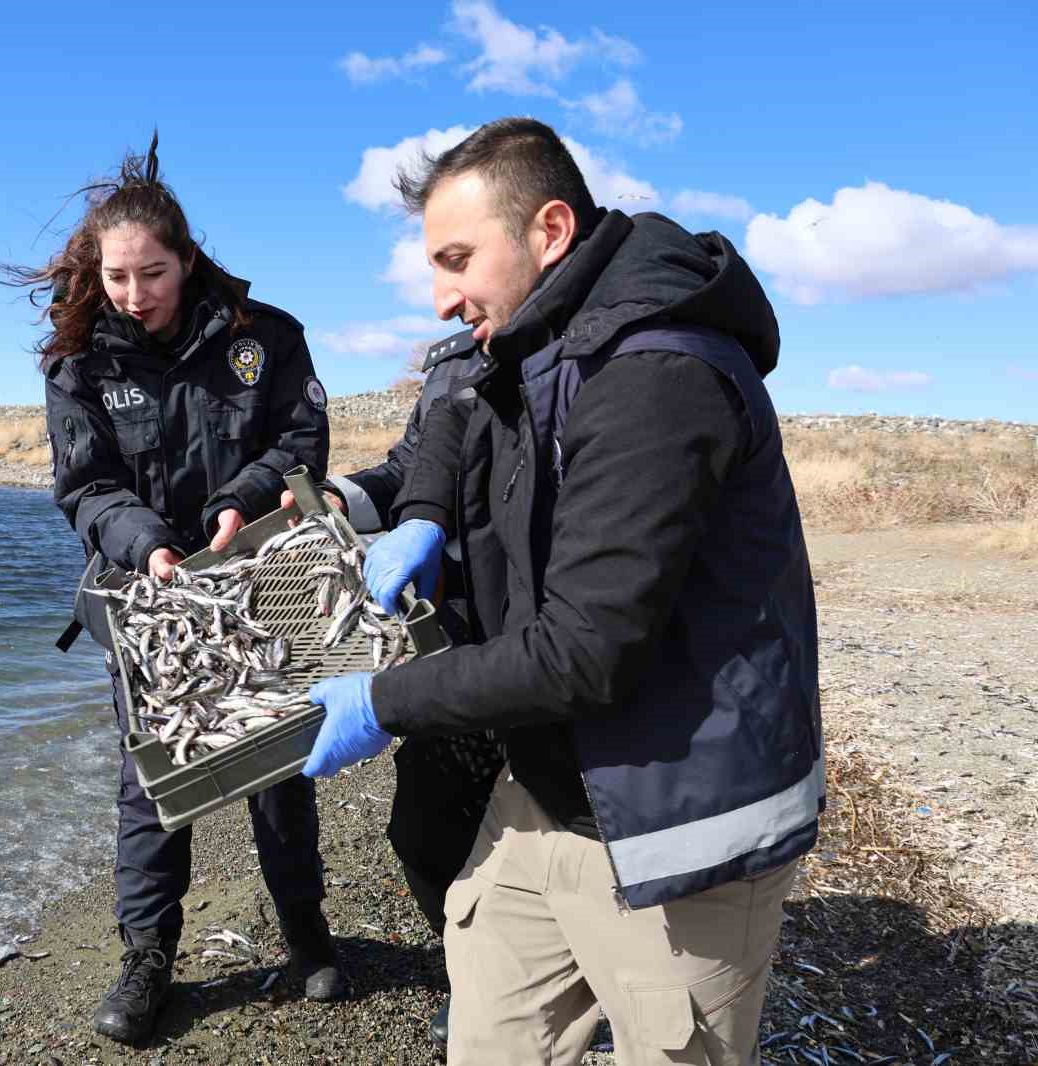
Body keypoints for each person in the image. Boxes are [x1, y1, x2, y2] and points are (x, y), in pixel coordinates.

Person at [303, 117, 822, 1066]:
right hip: (546, 785)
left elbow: (586, 650)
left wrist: (382, 702)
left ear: (549, 232)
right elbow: (455, 413)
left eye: (458, 259)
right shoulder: (531, 339)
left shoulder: (655, 371)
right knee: (490, 1038)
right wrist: (420, 511)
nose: (441, 294)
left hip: (680, 821)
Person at [0, 134, 347, 1045]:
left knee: (278, 760)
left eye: (152, 273)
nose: (134, 294)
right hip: (145, 597)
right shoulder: (77, 361)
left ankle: (306, 933)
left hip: (261, 580)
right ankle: (149, 956)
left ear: (186, 261)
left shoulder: (265, 338)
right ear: (96, 270)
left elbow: (300, 446)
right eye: (118, 276)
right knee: (155, 775)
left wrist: (238, 505)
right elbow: (85, 488)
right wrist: (148, 544)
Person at [293, 330, 504, 1047]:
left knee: (548, 835)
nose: (451, 300)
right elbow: (410, 467)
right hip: (449, 639)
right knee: (422, 831)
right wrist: (342, 498)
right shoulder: (452, 365)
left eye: (461, 260)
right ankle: (471, 969)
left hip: (543, 643)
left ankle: (547, 983)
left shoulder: (576, 363)